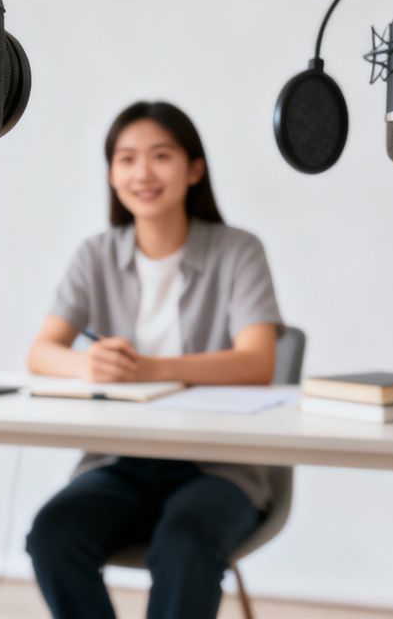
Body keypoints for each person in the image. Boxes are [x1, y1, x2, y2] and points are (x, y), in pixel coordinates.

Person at [25, 101, 283, 619]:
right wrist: (88, 363)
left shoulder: (238, 251)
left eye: (161, 156)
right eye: (126, 159)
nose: (142, 173)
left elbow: (259, 361)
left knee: (185, 542)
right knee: (54, 534)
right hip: (120, 460)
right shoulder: (95, 255)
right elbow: (41, 352)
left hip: (220, 466)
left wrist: (154, 369)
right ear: (111, 174)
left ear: (194, 169)